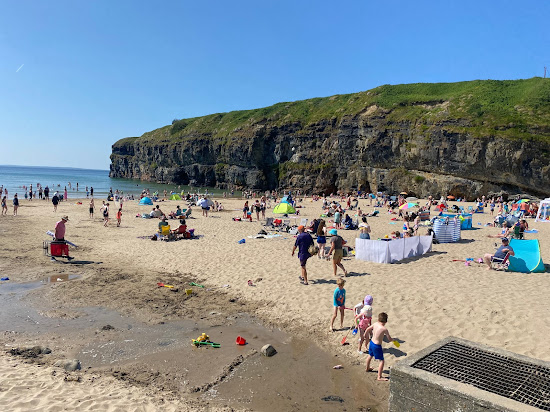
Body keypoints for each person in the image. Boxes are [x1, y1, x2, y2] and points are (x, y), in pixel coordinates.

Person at [365, 312, 394, 381]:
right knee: (381, 361)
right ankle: (379, 376)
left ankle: (367, 368)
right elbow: (389, 339)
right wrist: (392, 340)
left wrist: (365, 335)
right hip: (377, 346)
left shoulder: (375, 324)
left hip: (371, 342)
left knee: (370, 356)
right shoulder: (384, 329)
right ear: (386, 321)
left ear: (378, 320)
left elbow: (367, 329)